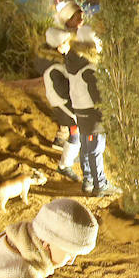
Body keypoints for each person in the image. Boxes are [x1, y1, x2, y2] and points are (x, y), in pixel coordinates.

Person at [42, 29, 114, 196]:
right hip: (89, 114)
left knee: (85, 146)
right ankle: (99, 184)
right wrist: (107, 115)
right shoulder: (88, 67)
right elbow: (97, 94)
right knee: (94, 148)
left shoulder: (72, 63)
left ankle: (88, 181)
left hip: (80, 112)